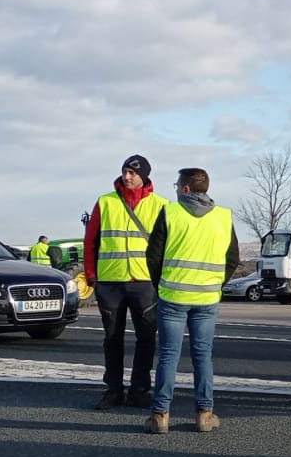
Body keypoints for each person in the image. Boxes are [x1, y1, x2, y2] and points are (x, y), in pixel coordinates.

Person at [146, 167, 239, 435]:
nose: (175, 189)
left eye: (177, 185)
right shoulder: (223, 217)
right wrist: (216, 284)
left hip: (173, 295)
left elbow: (153, 255)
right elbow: (232, 258)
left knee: (168, 356)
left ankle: (160, 416)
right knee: (203, 356)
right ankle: (204, 414)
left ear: (185, 189)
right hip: (207, 297)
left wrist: (160, 284)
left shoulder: (170, 212)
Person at [86, 155, 167, 410]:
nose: (127, 176)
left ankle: (140, 390)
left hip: (145, 282)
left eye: (133, 172)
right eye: (124, 171)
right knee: (112, 338)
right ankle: (113, 390)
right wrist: (91, 275)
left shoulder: (161, 205)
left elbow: (167, 246)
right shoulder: (105, 202)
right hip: (110, 281)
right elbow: (91, 240)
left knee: (146, 338)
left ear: (144, 176)